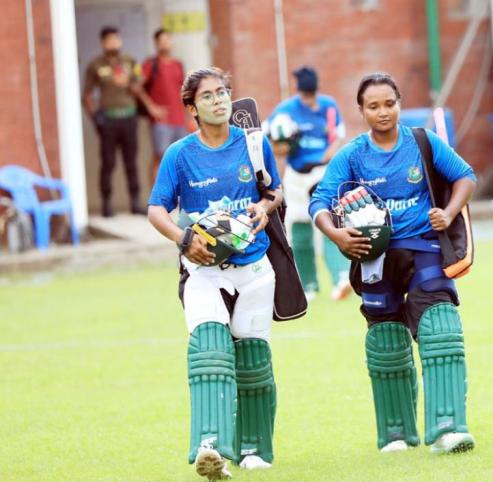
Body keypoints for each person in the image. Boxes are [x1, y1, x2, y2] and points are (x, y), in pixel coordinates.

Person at [309, 72, 478, 454]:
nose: (383, 112)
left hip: (424, 249)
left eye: (390, 103)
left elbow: (466, 176)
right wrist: (336, 233)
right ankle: (397, 433)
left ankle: (449, 428)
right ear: (361, 111)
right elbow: (318, 201)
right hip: (375, 258)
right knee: (386, 342)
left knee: (440, 329)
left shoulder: (421, 142)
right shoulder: (352, 155)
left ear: (399, 103)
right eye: (374, 106)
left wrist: (449, 212)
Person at [147, 67, 283, 480]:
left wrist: (264, 207)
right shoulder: (180, 154)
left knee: (253, 361)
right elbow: (156, 209)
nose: (219, 100)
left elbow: (273, 191)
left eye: (223, 92)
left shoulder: (255, 145)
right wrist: (183, 238)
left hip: (256, 269)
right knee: (209, 351)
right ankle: (210, 446)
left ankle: (255, 448)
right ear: (191, 107)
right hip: (204, 271)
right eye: (208, 96)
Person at [266, 66, 351, 301]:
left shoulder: (329, 106)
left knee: (329, 221)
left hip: (322, 173)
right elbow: (271, 143)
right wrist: (282, 145)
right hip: (295, 176)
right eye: (305, 97)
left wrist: (328, 155)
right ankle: (308, 284)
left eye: (312, 96)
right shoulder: (285, 111)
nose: (309, 101)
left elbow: (338, 136)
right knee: (300, 229)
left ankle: (341, 277)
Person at [83, 26, 164, 217]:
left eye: (117, 39)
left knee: (131, 162)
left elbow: (139, 85)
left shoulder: (129, 61)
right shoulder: (96, 65)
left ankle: (135, 202)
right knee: (108, 163)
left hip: (129, 118)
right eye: (110, 40)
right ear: (103, 43)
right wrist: (96, 119)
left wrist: (128, 81)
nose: (114, 43)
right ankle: (106, 204)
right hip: (108, 119)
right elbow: (86, 95)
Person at [141, 28, 188, 184]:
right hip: (161, 121)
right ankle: (156, 200)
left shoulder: (178, 64)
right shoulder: (150, 64)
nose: (165, 43)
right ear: (156, 44)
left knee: (181, 159)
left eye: (168, 39)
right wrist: (151, 107)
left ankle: (180, 199)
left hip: (179, 119)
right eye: (161, 40)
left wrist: (190, 116)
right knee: (159, 157)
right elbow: (136, 87)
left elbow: (184, 91)